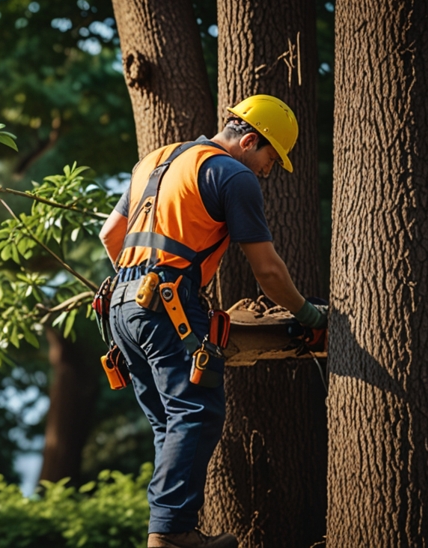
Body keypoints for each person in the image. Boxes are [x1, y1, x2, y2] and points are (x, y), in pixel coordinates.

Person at [98, 95, 327, 548]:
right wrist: (308, 314)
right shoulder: (232, 174)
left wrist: (138, 280)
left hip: (120, 303)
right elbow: (268, 271)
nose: (268, 171)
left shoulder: (155, 159)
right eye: (269, 158)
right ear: (248, 140)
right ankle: (170, 534)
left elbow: (110, 234)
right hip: (164, 302)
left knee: (169, 419)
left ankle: (168, 529)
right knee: (196, 411)